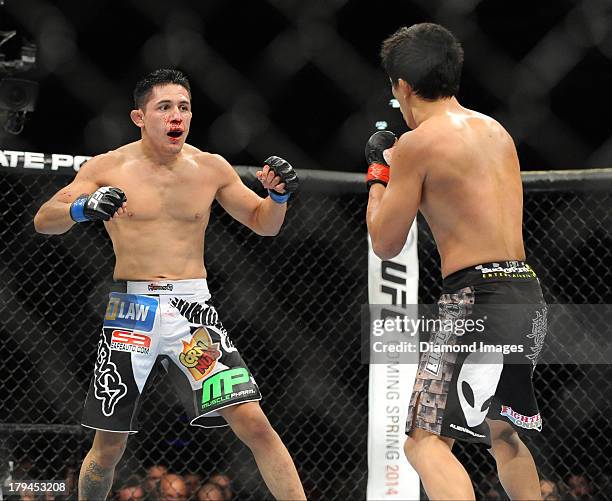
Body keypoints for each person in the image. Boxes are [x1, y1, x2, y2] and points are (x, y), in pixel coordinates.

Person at [33, 68, 305, 501]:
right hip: (132, 309)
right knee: (109, 446)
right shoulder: (107, 166)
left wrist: (278, 198)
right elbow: (45, 220)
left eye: (184, 107)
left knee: (254, 423)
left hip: (192, 310)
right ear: (139, 117)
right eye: (164, 107)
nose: (176, 116)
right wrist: (84, 206)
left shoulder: (210, 167)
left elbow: (262, 224)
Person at [366, 23, 547, 500]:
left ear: (402, 86)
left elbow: (385, 242)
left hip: (476, 298)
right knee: (502, 433)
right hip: (525, 291)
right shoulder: (496, 130)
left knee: (424, 442)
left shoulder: (418, 144)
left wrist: (378, 177)